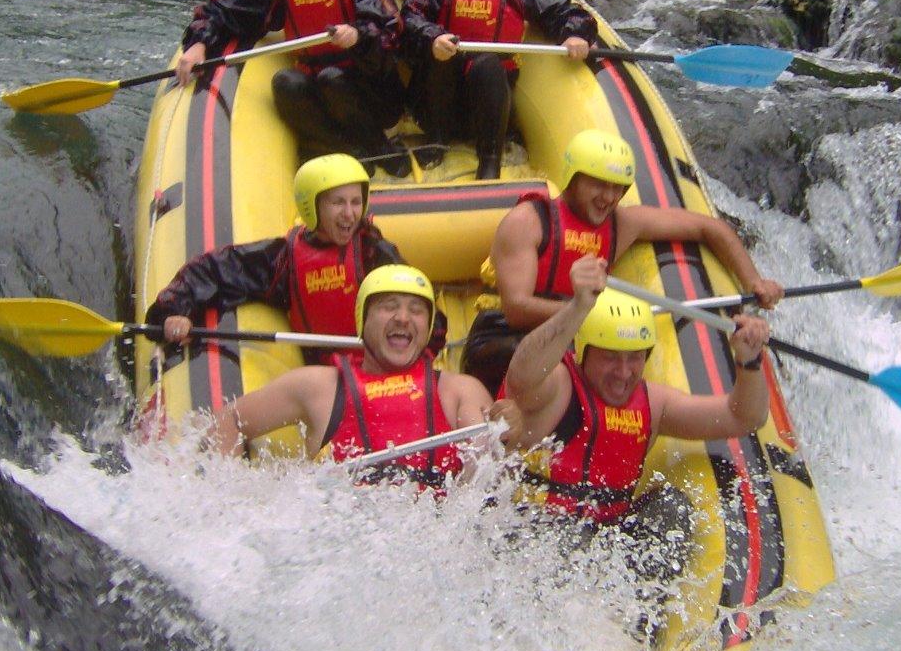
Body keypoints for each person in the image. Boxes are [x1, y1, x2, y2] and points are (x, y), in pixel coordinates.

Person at [499, 255, 772, 606]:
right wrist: (579, 306)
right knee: (568, 538)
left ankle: (637, 626)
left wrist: (749, 362)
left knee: (671, 508)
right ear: (584, 352)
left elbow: (743, 418)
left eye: (634, 358)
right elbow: (520, 377)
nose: (624, 372)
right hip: (537, 538)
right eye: (611, 357)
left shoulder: (655, 404)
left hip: (606, 545)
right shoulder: (558, 389)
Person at [462, 129, 786, 394]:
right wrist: (593, 316)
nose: (608, 197)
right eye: (598, 184)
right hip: (502, 337)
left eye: (617, 188)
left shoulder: (622, 224)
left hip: (573, 335)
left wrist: (753, 281)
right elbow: (517, 308)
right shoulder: (528, 221)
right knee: (571, 368)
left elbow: (708, 228)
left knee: (609, 372)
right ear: (572, 179)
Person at [210, 265, 495, 492]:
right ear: (363, 319)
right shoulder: (317, 387)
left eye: (417, 310)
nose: (403, 318)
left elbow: (484, 474)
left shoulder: (460, 392)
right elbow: (228, 420)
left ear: (428, 325)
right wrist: (231, 495)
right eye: (388, 306)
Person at [175, 0, 402, 163]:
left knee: (331, 78)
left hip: (372, 90)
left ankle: (380, 150)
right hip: (321, 84)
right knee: (285, 83)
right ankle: (345, 149)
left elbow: (390, 32)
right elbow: (224, 10)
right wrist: (198, 43)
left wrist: (359, 34)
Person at [403, 0, 596, 180]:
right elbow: (410, 17)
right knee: (443, 58)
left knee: (488, 64)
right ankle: (437, 141)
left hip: (487, 107)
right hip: (436, 103)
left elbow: (569, 11)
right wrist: (432, 37)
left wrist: (576, 33)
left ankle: (489, 159)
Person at [142, 154, 403, 346]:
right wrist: (172, 312)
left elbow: (416, 308)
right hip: (323, 380)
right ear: (312, 206)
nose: (350, 214)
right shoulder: (284, 260)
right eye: (338, 203)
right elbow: (214, 269)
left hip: (376, 368)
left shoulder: (374, 252)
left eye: (356, 202)